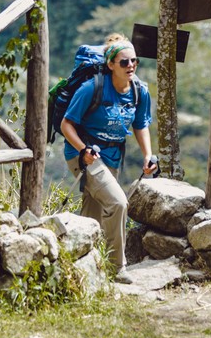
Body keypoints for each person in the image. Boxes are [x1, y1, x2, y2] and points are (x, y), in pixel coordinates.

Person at [60, 33, 157, 284]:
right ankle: (117, 266)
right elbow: (66, 124)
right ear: (111, 64)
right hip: (84, 155)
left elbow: (140, 124)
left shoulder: (139, 91)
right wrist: (83, 150)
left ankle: (81, 264)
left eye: (134, 61)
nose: (131, 66)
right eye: (124, 62)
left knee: (91, 214)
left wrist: (148, 155)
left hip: (113, 156)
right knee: (118, 203)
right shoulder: (92, 87)